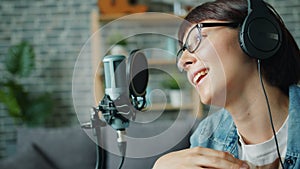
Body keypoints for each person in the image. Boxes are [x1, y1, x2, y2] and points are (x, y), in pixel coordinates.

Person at [153, 0, 300, 168]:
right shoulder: (205, 137)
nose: (182, 62)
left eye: (197, 39)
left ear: (254, 35)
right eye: (183, 52)